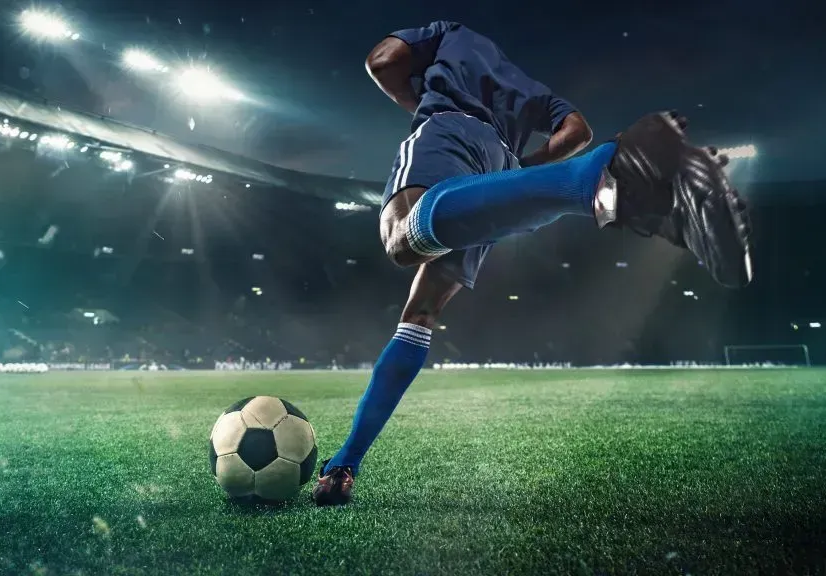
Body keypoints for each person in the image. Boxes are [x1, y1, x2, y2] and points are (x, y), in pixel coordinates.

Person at [313, 21, 752, 506]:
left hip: (448, 130)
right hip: (498, 167)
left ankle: (594, 175)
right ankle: (345, 462)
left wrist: (418, 102)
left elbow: (383, 61)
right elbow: (576, 130)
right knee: (420, 315)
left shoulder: (450, 33)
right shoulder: (533, 89)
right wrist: (521, 169)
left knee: (402, 240)